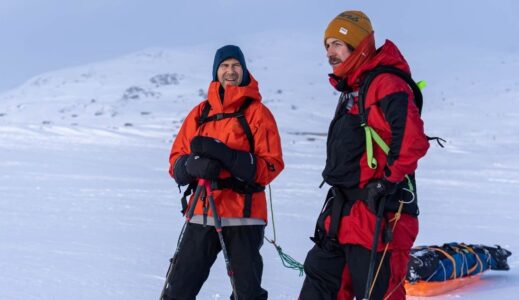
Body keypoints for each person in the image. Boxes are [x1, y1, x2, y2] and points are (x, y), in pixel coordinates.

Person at [299, 11, 430, 300]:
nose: (330, 53)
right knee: (320, 286)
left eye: (337, 44)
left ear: (359, 46)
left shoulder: (384, 83)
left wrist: (387, 183)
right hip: (342, 213)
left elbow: (412, 141)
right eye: (327, 45)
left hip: (377, 214)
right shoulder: (354, 88)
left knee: (377, 293)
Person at [164, 45, 284, 300]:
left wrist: (230, 158)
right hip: (201, 212)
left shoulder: (257, 114)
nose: (230, 71)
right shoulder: (200, 113)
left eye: (236, 66)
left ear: (244, 70)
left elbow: (271, 165)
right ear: (216, 72)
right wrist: (189, 166)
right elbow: (175, 160)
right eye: (224, 66)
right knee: (177, 290)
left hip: (244, 215)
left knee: (247, 294)